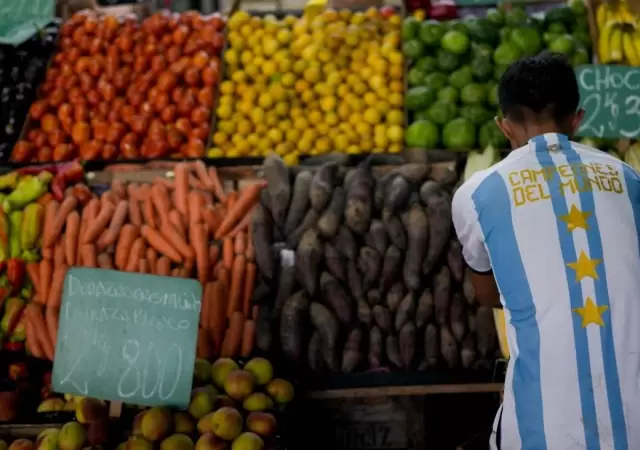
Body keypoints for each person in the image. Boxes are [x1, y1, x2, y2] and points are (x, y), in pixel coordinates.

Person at [452, 52, 640, 449]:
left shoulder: (476, 193)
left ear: (504, 127)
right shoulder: (629, 179)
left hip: (542, 433)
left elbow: (487, 295)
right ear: (577, 119)